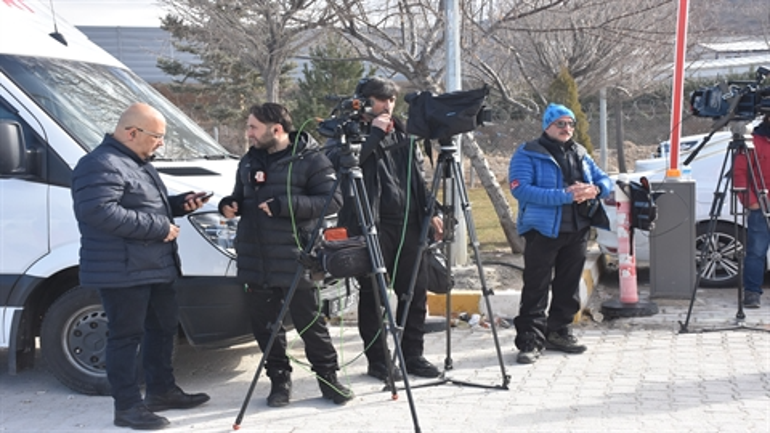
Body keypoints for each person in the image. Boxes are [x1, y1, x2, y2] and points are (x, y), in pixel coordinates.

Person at [71, 103, 211, 430]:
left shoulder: (137, 163)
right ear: (131, 132)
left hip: (153, 266)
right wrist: (158, 228)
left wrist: (179, 205)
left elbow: (144, 205)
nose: (160, 143)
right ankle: (128, 407)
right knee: (125, 337)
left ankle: (162, 391)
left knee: (162, 329)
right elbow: (98, 212)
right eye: (157, 136)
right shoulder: (99, 164)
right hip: (121, 270)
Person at [218, 103, 353, 407]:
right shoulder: (248, 162)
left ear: (276, 130)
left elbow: (333, 200)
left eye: (253, 127)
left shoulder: (311, 160)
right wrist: (229, 205)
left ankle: (329, 379)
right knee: (266, 327)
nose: (248, 133)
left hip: (296, 256)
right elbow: (239, 196)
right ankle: (279, 381)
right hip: (255, 258)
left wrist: (286, 204)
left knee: (311, 324)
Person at [327, 77, 443, 382]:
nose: (388, 105)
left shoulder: (403, 131)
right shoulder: (347, 131)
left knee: (414, 292)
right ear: (364, 100)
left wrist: (432, 211)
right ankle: (378, 362)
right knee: (374, 295)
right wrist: (374, 135)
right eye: (381, 99)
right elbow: (340, 169)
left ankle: (412, 355)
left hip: (409, 220)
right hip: (371, 224)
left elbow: (417, 175)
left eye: (391, 99)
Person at [508, 103, 612, 364]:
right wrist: (565, 196)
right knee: (536, 287)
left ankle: (559, 332)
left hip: (577, 229)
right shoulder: (528, 152)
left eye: (570, 124)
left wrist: (594, 190)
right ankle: (530, 341)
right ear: (547, 126)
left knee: (568, 286)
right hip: (542, 231)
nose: (567, 128)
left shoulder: (579, 151)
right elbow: (521, 189)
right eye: (560, 124)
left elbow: (605, 180)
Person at [733, 114, 770, 309]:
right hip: (762, 204)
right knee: (756, 251)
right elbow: (739, 172)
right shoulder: (752, 142)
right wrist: (750, 201)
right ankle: (752, 293)